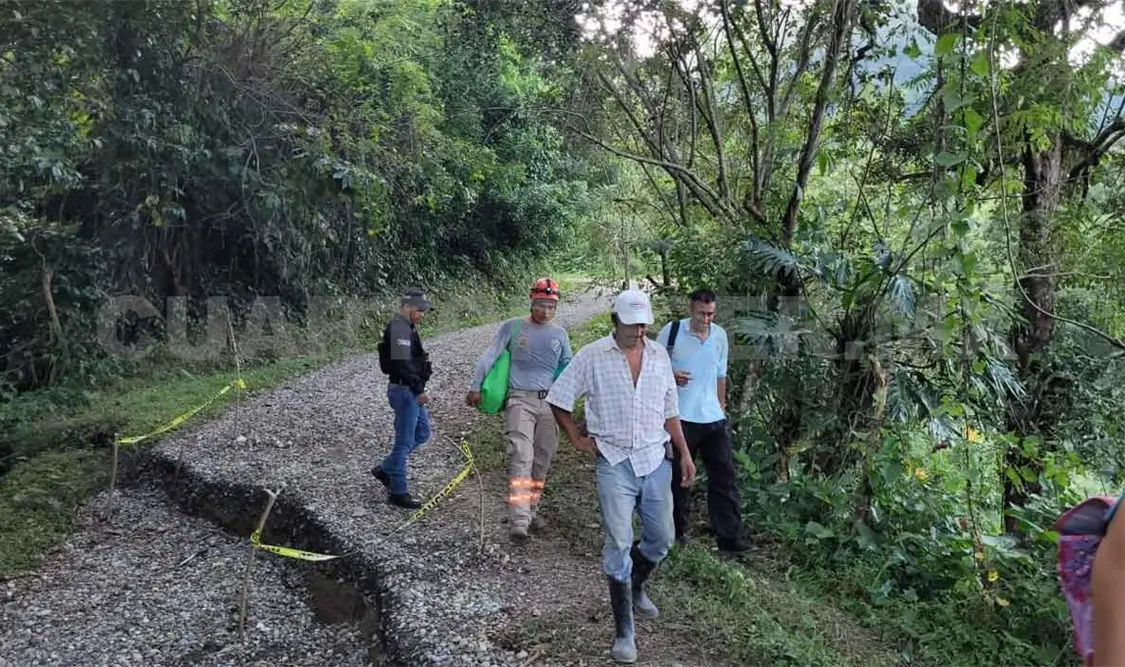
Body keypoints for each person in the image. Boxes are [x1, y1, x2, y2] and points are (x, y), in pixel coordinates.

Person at [546, 287, 697, 665]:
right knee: (618, 539)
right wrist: (577, 438)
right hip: (613, 462)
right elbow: (559, 397)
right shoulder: (593, 356)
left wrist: (684, 452)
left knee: (661, 539)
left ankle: (636, 583)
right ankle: (624, 632)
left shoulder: (659, 355)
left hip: (654, 459)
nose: (639, 331)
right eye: (631, 325)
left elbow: (670, 409)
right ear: (615, 322)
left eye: (644, 324)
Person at [466, 277, 574, 542]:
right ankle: (519, 521)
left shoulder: (560, 335)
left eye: (551, 306)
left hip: (550, 405)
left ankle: (530, 509)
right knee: (521, 456)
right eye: (541, 305)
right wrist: (475, 385)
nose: (545, 311)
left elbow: (568, 369)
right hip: (519, 400)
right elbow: (490, 355)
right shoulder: (512, 328)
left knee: (541, 460)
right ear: (531, 301)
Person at [655, 289, 751, 555]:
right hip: (680, 417)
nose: (706, 319)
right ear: (691, 309)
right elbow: (652, 367)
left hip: (712, 419)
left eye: (711, 314)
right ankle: (675, 534)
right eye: (701, 313)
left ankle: (730, 540)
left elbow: (721, 373)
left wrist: (721, 408)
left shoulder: (719, 335)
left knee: (724, 479)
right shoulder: (672, 332)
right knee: (679, 479)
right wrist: (672, 375)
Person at [372, 289, 434, 509]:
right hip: (405, 390)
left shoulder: (406, 327)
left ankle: (386, 468)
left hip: (408, 390)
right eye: (419, 310)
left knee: (423, 432)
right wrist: (418, 390)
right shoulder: (399, 328)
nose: (422, 315)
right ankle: (398, 491)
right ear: (407, 307)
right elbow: (402, 364)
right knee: (405, 441)